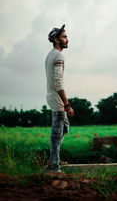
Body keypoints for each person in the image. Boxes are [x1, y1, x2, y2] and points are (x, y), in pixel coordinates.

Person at [45, 24, 74, 173]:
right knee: (57, 132)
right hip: (57, 99)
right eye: (64, 37)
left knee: (64, 128)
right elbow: (58, 81)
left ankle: (54, 158)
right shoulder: (58, 56)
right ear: (56, 40)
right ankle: (54, 167)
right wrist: (67, 104)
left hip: (53, 96)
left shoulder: (51, 54)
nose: (67, 39)